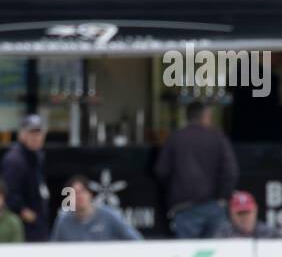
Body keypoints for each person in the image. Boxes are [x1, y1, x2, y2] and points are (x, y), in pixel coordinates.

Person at [155, 102, 238, 239]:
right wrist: (223, 197)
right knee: (216, 254)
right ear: (206, 116)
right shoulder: (217, 137)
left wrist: (175, 191)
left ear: (187, 117)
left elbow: (161, 171)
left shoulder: (175, 138)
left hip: (184, 207)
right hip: (213, 206)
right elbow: (231, 171)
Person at [2, 114, 50, 242]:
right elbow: (9, 192)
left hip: (38, 216)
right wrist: (23, 211)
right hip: (24, 222)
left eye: (39, 133)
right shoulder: (14, 159)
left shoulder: (38, 155)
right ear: (22, 135)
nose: (36, 137)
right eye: (31, 133)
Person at [51, 175, 142, 242]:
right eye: (74, 193)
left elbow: (135, 239)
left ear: (90, 194)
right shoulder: (63, 221)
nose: (79, 196)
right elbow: (54, 250)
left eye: (82, 191)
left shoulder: (109, 216)